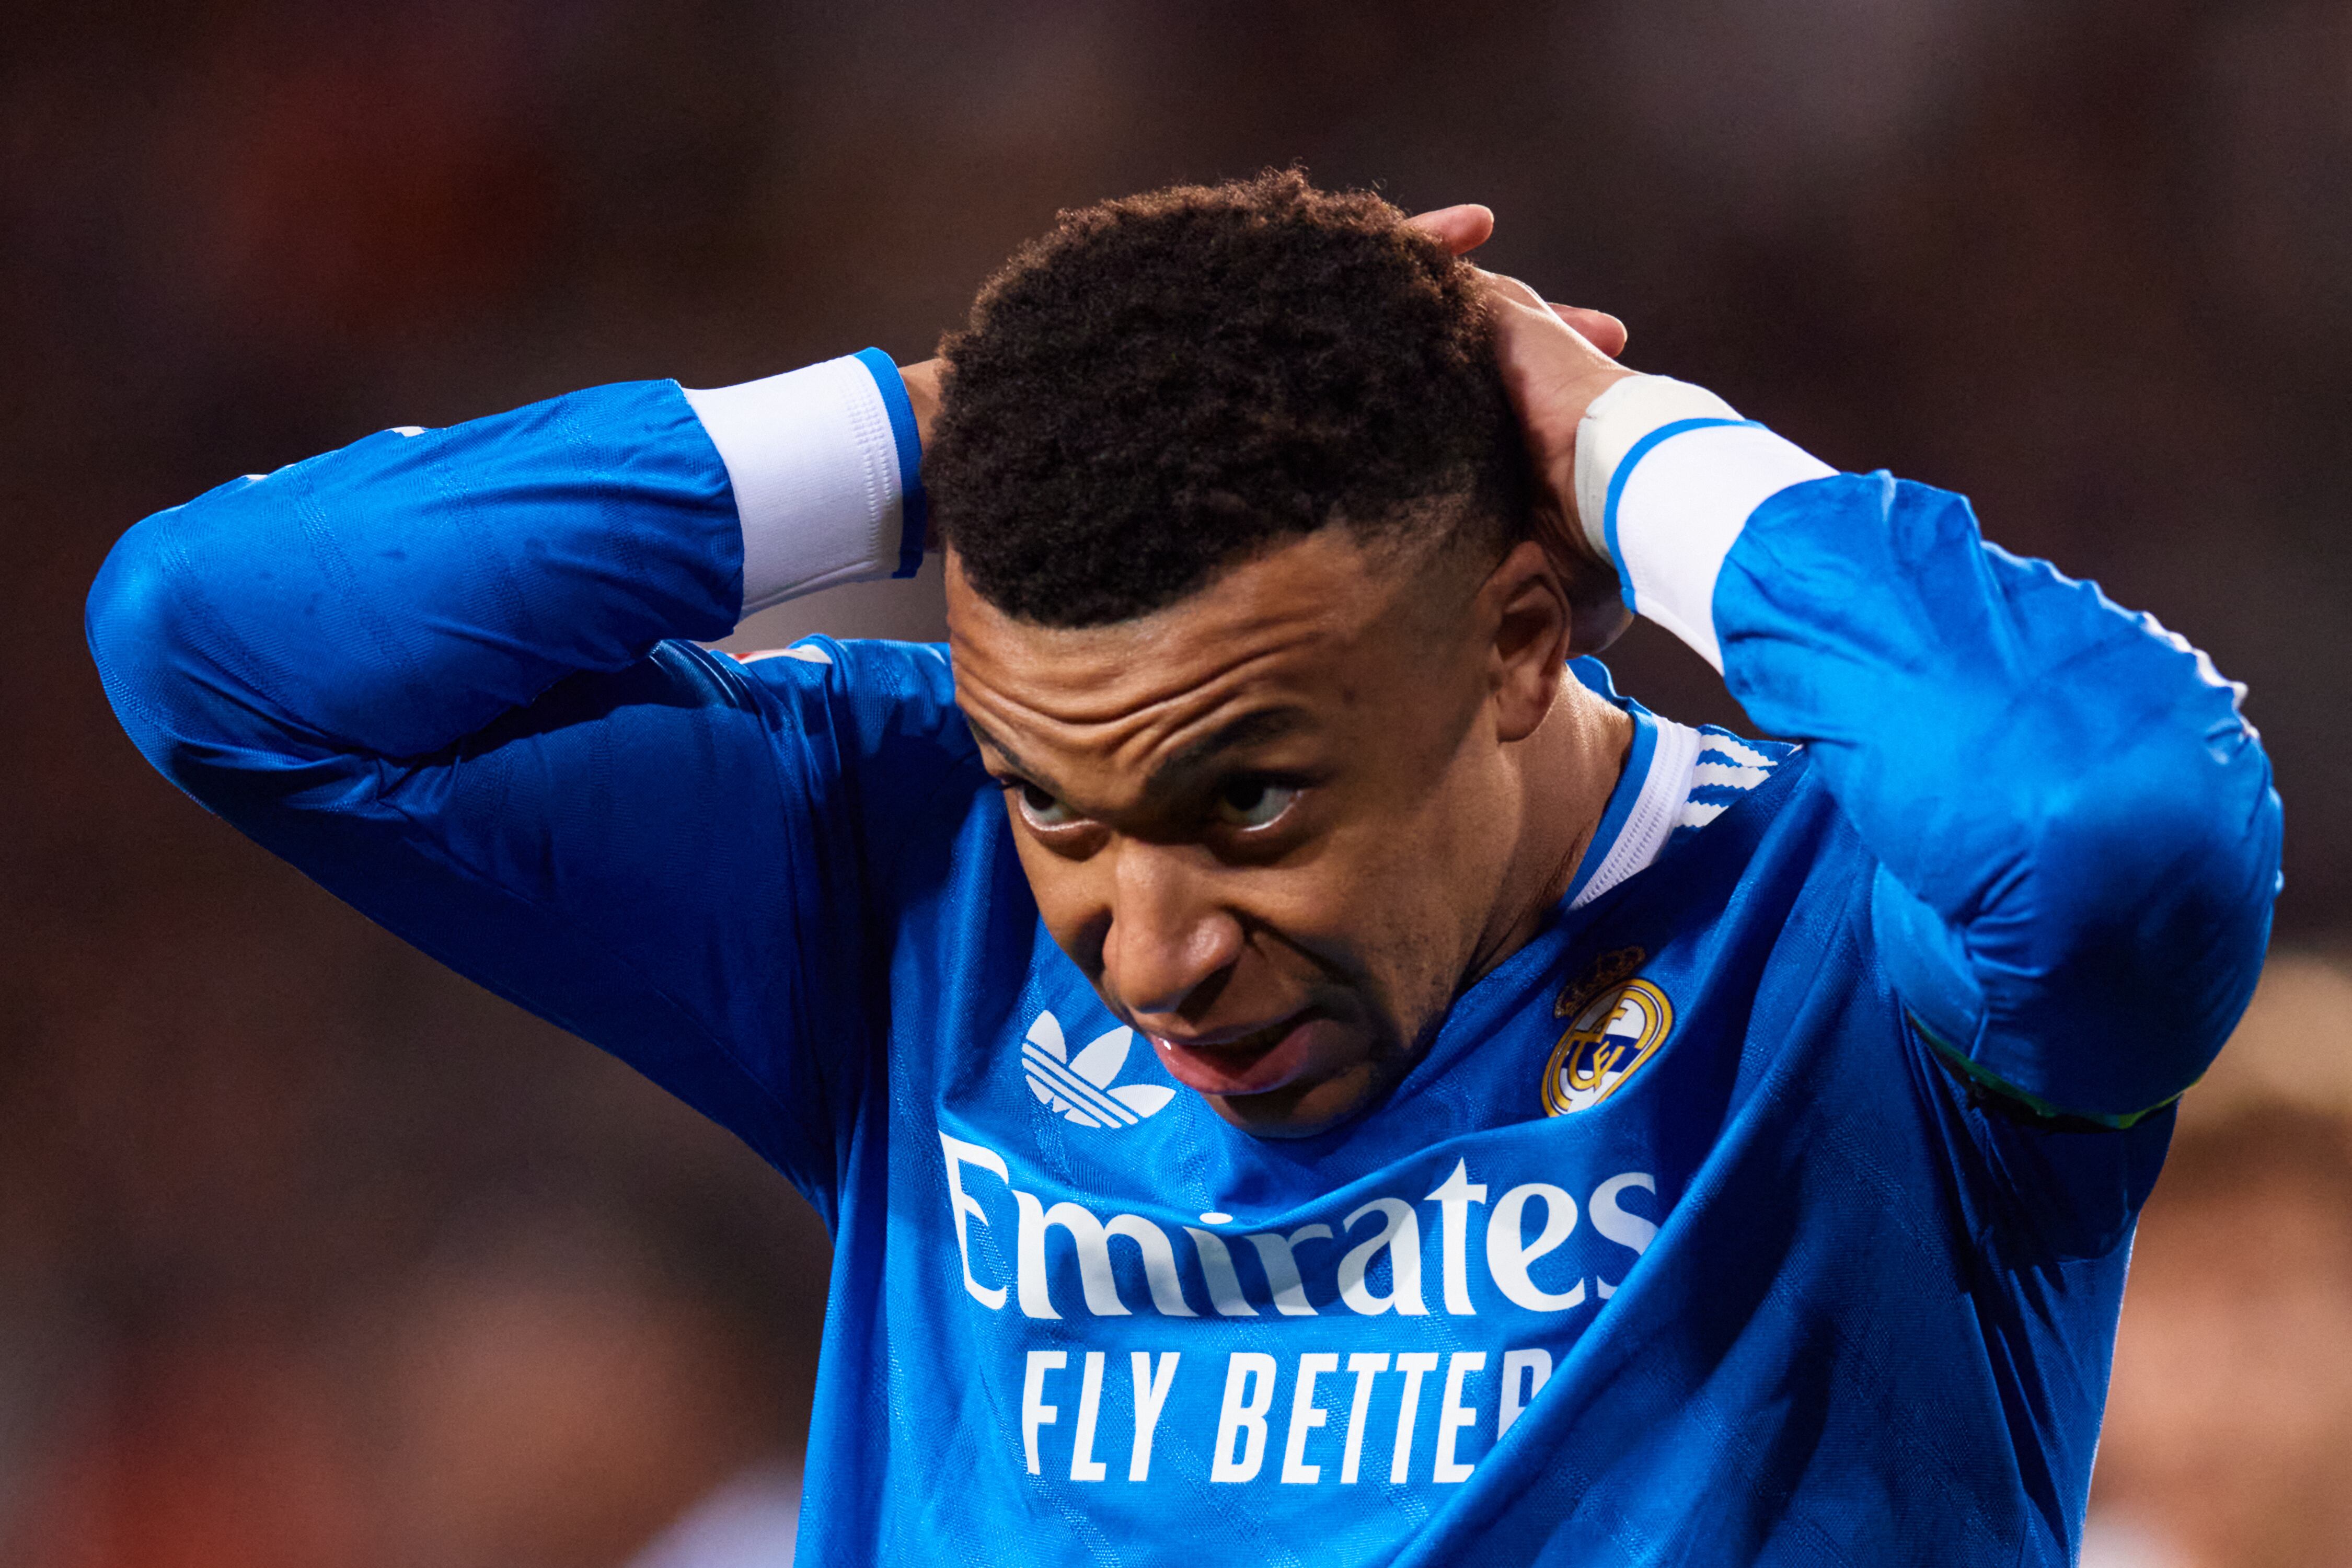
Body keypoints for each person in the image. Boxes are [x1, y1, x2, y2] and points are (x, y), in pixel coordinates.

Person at [84, 171, 2280, 1564]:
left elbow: (2111, 822)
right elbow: (227, 643)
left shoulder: (1866, 964)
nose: (1149, 945)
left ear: (1526, 629)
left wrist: (1620, 450)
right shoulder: (897, 872)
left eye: (1252, 808)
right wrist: (956, 426)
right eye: (1064, 805)